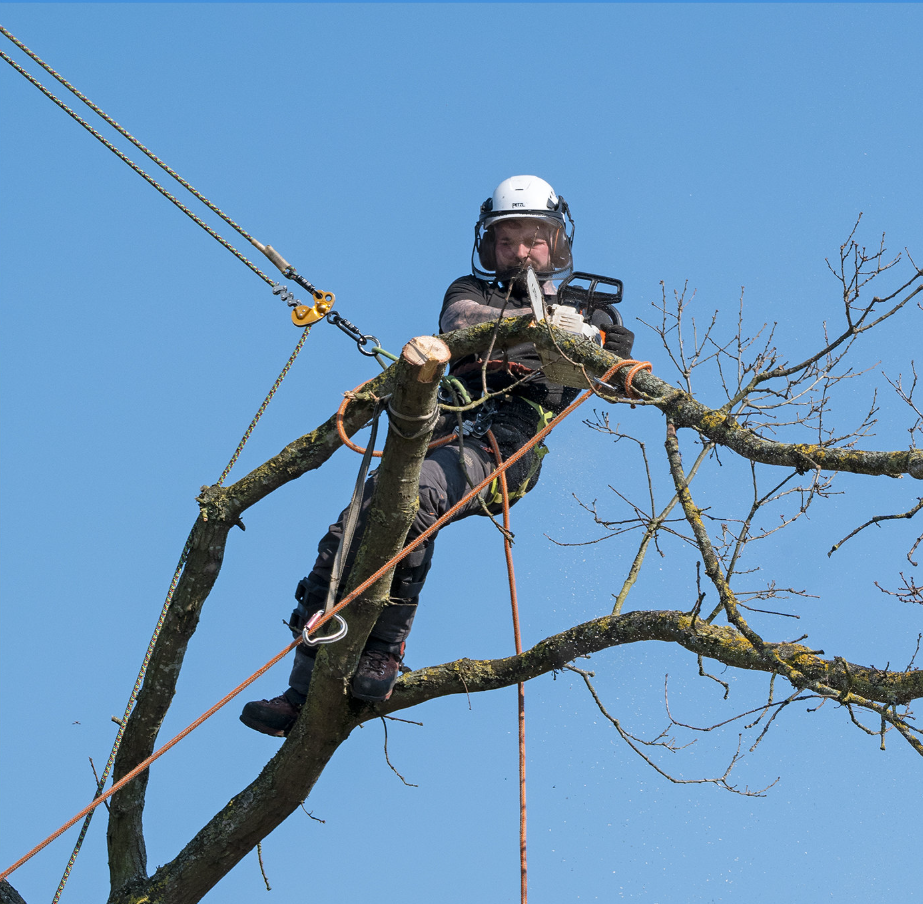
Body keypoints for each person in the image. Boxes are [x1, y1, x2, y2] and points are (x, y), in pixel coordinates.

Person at [240, 175, 634, 736]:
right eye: (507, 240)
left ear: (557, 242)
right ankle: (303, 690)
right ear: (488, 246)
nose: (520, 251)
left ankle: (384, 647)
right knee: (358, 520)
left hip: (507, 443)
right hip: (447, 423)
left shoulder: (589, 313)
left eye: (533, 238)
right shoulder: (469, 294)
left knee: (415, 495)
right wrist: (539, 325)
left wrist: (604, 349)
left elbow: (621, 381)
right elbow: (460, 326)